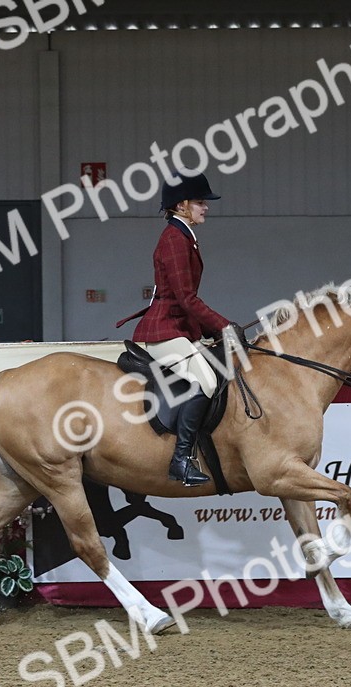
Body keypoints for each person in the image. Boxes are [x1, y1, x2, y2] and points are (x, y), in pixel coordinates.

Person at [131, 172, 236, 487]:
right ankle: (180, 461)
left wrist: (213, 331)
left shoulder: (184, 234)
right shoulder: (175, 238)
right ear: (181, 205)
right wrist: (224, 327)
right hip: (163, 329)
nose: (205, 208)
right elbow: (185, 298)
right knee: (204, 381)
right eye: (200, 202)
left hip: (177, 327)